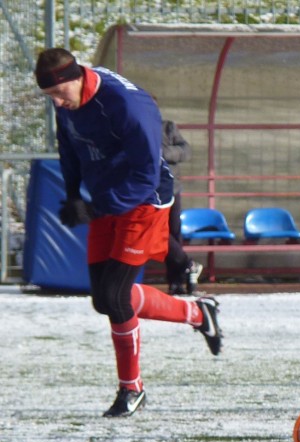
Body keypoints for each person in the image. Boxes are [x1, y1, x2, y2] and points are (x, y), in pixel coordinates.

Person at [34, 47, 223, 418]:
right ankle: (198, 314)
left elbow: (145, 176)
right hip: (106, 196)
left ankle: (132, 390)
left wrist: (93, 207)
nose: (57, 102)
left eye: (59, 93)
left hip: (144, 199)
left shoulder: (127, 105)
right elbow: (68, 145)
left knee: (116, 296)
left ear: (76, 77)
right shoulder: (66, 99)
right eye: (50, 97)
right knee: (103, 301)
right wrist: (74, 194)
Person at [156, 102, 203, 296]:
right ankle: (188, 264)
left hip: (171, 188)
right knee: (157, 233)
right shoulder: (132, 128)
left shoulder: (168, 126)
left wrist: (167, 153)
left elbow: (186, 150)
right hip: (148, 192)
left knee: (173, 233)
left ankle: (176, 282)